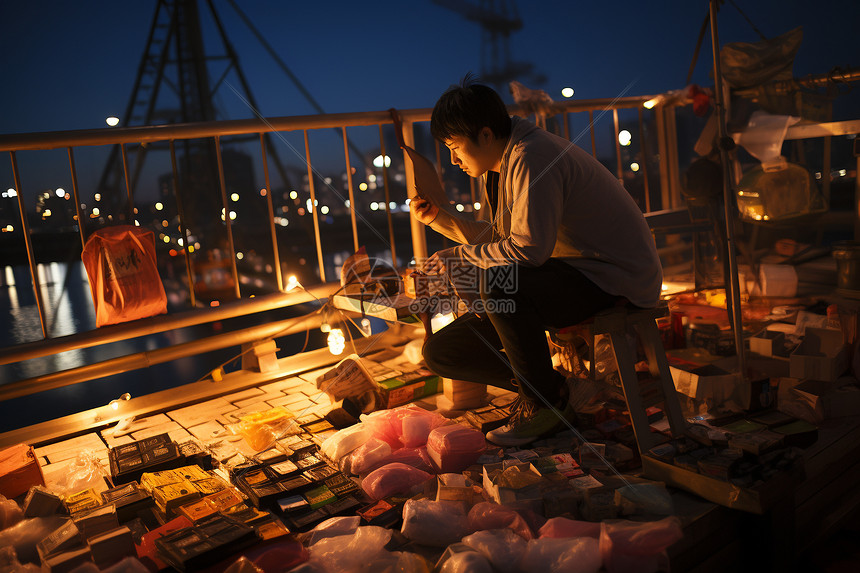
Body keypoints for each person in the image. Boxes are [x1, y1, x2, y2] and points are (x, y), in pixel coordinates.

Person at [410, 78, 663, 446]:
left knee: (496, 282)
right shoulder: (503, 164)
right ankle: (557, 392)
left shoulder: (532, 156)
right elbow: (503, 242)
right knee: (442, 352)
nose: (453, 159)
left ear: (483, 134)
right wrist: (439, 220)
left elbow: (528, 250)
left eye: (454, 147)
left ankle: (543, 404)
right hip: (572, 271)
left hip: (613, 278)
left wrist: (460, 258)